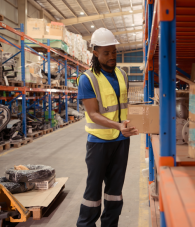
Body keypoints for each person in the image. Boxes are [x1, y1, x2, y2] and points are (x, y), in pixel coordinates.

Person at [76, 28, 139, 227]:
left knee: (114, 191)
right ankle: (86, 224)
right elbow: (93, 113)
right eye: (106, 53)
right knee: (93, 192)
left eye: (114, 51)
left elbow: (123, 106)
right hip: (99, 142)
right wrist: (118, 125)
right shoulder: (87, 79)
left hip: (121, 141)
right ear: (95, 53)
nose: (112, 56)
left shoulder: (122, 75)